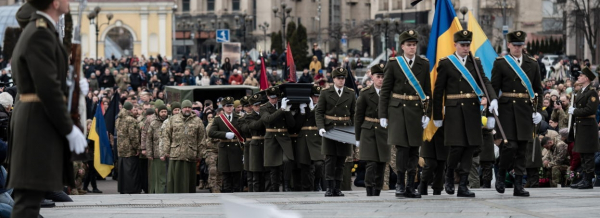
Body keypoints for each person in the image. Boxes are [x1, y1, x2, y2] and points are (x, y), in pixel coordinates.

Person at [8, 1, 89, 217]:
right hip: (36, 123)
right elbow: (46, 88)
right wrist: (68, 128)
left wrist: (72, 86)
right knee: (27, 202)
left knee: (31, 201)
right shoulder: (40, 33)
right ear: (55, 2)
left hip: (36, 119)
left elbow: (46, 78)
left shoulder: (42, 31)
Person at [433, 30, 498, 198]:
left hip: (471, 110)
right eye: (462, 45)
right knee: (456, 147)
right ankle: (449, 175)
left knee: (470, 147)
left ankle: (463, 184)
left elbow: (484, 81)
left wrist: (493, 98)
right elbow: (439, 91)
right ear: (455, 45)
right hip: (454, 111)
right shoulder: (447, 63)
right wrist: (437, 115)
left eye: (468, 44)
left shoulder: (475, 62)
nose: (465, 48)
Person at [378, 30, 431, 198]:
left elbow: (427, 91)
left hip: (416, 110)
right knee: (402, 148)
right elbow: (385, 91)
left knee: (414, 149)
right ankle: (400, 184)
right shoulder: (394, 64)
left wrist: (427, 113)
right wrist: (383, 115)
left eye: (414, 45)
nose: (412, 48)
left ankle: (410, 185)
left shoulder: (423, 64)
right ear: (402, 46)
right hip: (398, 109)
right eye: (409, 45)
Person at [491, 30, 543, 197]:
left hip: (525, 110)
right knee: (509, 146)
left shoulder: (532, 64)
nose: (518, 48)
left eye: (520, 45)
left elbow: (538, 90)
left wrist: (538, 110)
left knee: (522, 148)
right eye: (515, 45)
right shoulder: (500, 63)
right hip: (506, 109)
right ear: (509, 45)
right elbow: (494, 87)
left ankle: (518, 185)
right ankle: (501, 175)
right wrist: (492, 103)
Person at [315, 67, 356, 197]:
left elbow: (354, 113)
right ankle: (329, 187)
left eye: (343, 78)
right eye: (339, 78)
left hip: (344, 128)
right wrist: (321, 127)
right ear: (333, 79)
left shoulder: (350, 93)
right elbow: (319, 112)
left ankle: (337, 187)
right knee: (330, 159)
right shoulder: (326, 93)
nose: (341, 81)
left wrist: (353, 131)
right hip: (330, 128)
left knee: (341, 161)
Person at [355, 64, 389, 197]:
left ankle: (378, 190)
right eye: (378, 76)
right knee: (371, 163)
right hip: (368, 130)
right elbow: (358, 116)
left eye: (383, 77)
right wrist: (357, 137)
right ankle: (369, 189)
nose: (381, 79)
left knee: (381, 163)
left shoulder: (388, 94)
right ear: (372, 77)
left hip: (383, 130)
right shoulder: (365, 93)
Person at [161, 100, 205, 193]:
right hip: (176, 152)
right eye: (185, 107)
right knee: (175, 177)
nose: (187, 109)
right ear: (182, 108)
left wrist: (200, 153)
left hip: (191, 153)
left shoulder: (197, 120)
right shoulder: (173, 119)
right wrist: (166, 150)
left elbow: (201, 138)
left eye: (189, 107)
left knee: (189, 178)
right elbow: (166, 135)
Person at [568, 67, 599, 189]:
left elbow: (590, 109)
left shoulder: (592, 92)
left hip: (588, 126)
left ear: (586, 78)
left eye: (581, 76)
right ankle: (584, 178)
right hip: (581, 126)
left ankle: (588, 180)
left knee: (588, 155)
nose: (578, 77)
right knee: (582, 154)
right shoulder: (581, 91)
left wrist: (575, 111)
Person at [260, 87, 296, 191]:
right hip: (272, 138)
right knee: (273, 165)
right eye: (272, 98)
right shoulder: (264, 108)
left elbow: (291, 124)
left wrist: (287, 111)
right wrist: (281, 109)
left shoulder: (282, 105)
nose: (274, 100)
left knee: (287, 160)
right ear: (267, 97)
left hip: (284, 137)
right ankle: (274, 187)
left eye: (276, 97)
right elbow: (268, 119)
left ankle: (286, 184)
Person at [209, 97, 244, 193]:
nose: (229, 108)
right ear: (223, 107)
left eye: (231, 106)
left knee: (237, 174)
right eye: (227, 106)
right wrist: (224, 135)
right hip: (224, 148)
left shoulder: (239, 118)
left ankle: (237, 192)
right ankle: (227, 193)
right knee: (226, 174)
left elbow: (244, 132)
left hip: (236, 148)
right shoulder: (218, 119)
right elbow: (211, 133)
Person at [296, 86, 326, 192]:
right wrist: (302, 111)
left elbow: (321, 119)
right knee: (305, 166)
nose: (316, 99)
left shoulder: (322, 107)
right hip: (304, 138)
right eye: (314, 96)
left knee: (319, 163)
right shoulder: (304, 107)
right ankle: (306, 187)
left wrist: (313, 109)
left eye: (318, 97)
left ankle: (317, 182)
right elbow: (297, 124)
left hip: (316, 137)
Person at [116, 102, 141, 194]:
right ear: (130, 109)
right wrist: (137, 148)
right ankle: (132, 189)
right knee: (131, 171)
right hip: (130, 149)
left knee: (123, 171)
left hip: (121, 148)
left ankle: (123, 188)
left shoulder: (118, 119)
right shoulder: (131, 120)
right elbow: (133, 136)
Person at [244, 94, 268, 192]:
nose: (258, 107)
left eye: (259, 105)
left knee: (267, 172)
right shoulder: (249, 117)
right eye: (256, 105)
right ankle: (256, 193)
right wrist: (265, 115)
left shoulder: (265, 113)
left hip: (266, 143)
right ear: (252, 106)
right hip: (256, 145)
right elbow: (256, 126)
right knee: (256, 173)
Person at [146, 104, 168, 193]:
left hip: (169, 152)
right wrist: (149, 153)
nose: (164, 113)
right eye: (162, 112)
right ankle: (159, 192)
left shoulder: (169, 122)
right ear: (158, 112)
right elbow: (149, 139)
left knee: (166, 175)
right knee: (158, 175)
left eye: (165, 111)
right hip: (157, 153)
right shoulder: (153, 123)